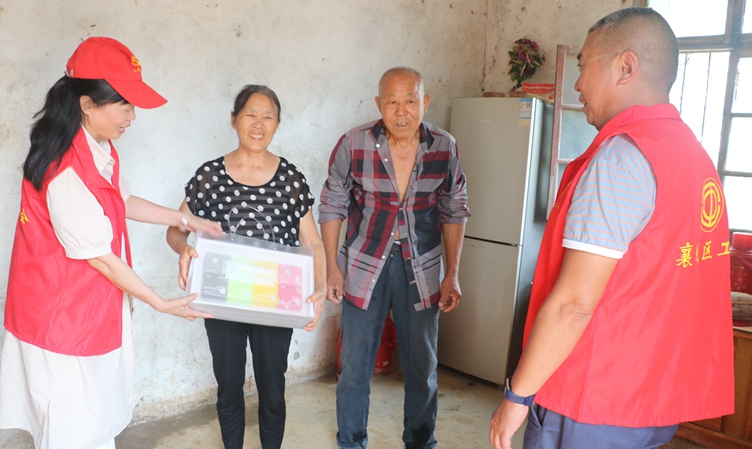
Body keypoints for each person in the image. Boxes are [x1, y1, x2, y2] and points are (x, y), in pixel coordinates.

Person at [489, 8, 734, 449]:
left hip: (593, 397)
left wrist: (517, 395)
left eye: (583, 66)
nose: (577, 84)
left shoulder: (622, 160)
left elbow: (574, 305)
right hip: (654, 396)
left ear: (625, 67)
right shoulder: (692, 154)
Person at [0, 37, 223, 449]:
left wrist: (185, 219)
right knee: (71, 431)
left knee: (94, 423)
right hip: (62, 321)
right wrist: (160, 302)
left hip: (86, 309)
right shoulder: (65, 170)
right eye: (124, 105)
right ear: (87, 104)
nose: (132, 117)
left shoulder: (98, 148)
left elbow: (120, 201)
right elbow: (101, 258)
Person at [166, 84, 326, 449]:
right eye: (250, 114)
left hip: (277, 302)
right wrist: (184, 248)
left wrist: (319, 288)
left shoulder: (291, 180)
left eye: (268, 116)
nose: (258, 123)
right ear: (234, 120)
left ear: (278, 123)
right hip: (221, 299)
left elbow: (313, 242)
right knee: (229, 386)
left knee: (273, 388)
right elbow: (175, 229)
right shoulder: (210, 176)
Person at [319, 66, 469, 449]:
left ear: (425, 102)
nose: (402, 111)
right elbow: (332, 203)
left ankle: (420, 442)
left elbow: (454, 210)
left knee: (423, 369)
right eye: (392, 102)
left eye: (410, 101)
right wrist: (332, 266)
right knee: (354, 369)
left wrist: (452, 274)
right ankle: (351, 442)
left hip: (422, 268)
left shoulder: (445, 147)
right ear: (378, 104)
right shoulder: (353, 144)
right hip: (363, 264)